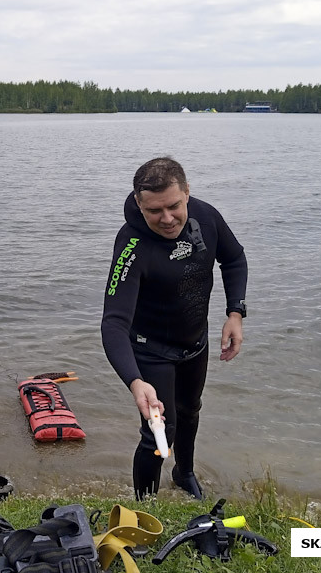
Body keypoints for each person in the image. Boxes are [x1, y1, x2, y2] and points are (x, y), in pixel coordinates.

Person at [101, 157, 247, 500]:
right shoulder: (132, 244)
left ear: (187, 192)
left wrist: (235, 313)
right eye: (154, 211)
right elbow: (113, 323)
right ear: (139, 203)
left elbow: (234, 258)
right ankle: (146, 504)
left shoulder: (206, 217)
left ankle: (185, 473)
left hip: (194, 343)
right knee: (157, 433)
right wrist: (135, 381)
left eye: (174, 206)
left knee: (189, 411)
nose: (167, 219)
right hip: (149, 351)